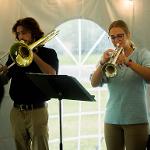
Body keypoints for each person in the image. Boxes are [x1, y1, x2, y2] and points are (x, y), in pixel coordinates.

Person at [0, 17, 59, 150]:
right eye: (18, 34)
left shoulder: (48, 53)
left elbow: (52, 74)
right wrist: (2, 73)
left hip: (37, 111)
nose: (21, 36)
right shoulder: (15, 54)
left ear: (34, 32)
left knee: (40, 147)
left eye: (24, 32)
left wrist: (32, 54)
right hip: (16, 112)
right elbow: (5, 80)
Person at [90, 20, 150, 150]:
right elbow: (94, 83)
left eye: (120, 35)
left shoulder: (142, 54)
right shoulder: (109, 58)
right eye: (112, 37)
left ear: (128, 35)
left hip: (136, 119)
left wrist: (129, 62)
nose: (116, 39)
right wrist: (102, 63)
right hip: (112, 119)